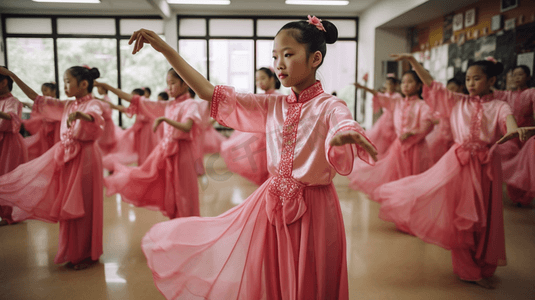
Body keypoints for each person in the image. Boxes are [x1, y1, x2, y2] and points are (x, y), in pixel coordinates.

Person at [129, 15, 377, 299]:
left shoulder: (329, 105)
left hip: (315, 209)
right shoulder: (272, 105)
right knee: (274, 277)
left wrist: (345, 132)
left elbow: (342, 119)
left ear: (315, 58)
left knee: (312, 280)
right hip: (272, 203)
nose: (279, 63)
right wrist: (166, 50)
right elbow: (209, 92)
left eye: (288, 54)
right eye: (275, 56)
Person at [376, 54, 534, 289]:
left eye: (477, 79)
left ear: (491, 80)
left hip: (486, 166)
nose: (470, 83)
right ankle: (467, 269)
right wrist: (413, 61)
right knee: (463, 218)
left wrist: (514, 130)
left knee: (485, 217)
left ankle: (483, 263)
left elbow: (507, 119)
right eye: (468, 79)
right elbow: (431, 84)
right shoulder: (456, 101)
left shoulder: (500, 104)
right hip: (459, 164)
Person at [0, 66, 106, 270]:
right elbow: (36, 98)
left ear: (83, 84)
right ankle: (73, 252)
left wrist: (82, 117)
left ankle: (87, 254)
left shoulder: (93, 104)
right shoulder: (66, 105)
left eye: (68, 81)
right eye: (64, 81)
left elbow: (95, 116)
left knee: (84, 206)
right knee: (69, 205)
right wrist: (13, 75)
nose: (65, 85)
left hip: (86, 159)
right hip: (68, 158)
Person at [99, 68, 206, 219]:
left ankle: (188, 226)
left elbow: (187, 126)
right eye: (167, 84)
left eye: (173, 83)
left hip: (182, 152)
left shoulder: (190, 104)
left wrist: (164, 119)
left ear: (185, 84)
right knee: (168, 189)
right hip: (165, 151)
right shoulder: (169, 105)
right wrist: (109, 87)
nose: (169, 88)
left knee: (184, 191)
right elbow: (135, 100)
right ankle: (176, 225)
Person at [348, 70, 434, 199]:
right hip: (399, 147)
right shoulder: (397, 103)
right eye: (403, 82)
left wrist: (412, 133)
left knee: (414, 177)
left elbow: (427, 124)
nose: (405, 85)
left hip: (417, 149)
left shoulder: (422, 105)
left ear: (418, 86)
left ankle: (410, 200)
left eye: (410, 82)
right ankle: (399, 199)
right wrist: (364, 88)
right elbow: (382, 97)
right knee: (396, 174)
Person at [219, 67, 281, 185]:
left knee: (270, 165)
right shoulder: (262, 97)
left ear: (272, 78)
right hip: (261, 135)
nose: (259, 82)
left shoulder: (278, 97)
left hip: (272, 136)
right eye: (257, 80)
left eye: (263, 78)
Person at [493, 65, 535, 206]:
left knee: (526, 168)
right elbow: (491, 93)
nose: (516, 78)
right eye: (514, 74)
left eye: (520, 74)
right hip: (511, 137)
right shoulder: (506, 95)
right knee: (510, 164)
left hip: (526, 137)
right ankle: (516, 197)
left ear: (528, 77)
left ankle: (525, 198)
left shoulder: (531, 93)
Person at [0, 66, 28, 226]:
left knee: (8, 177)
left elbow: (12, 118)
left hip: (10, 143)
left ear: (4, 82)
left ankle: (10, 214)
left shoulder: (13, 101)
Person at [353, 75, 400, 156]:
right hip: (385, 121)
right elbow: (380, 96)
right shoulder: (386, 95)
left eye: (391, 84)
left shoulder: (397, 96)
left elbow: (379, 95)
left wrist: (363, 87)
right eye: (387, 84)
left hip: (395, 121)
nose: (389, 86)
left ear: (395, 85)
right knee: (377, 139)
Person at [23, 82, 62, 160]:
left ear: (54, 91)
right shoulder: (45, 102)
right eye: (42, 90)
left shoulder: (56, 103)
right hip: (45, 131)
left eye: (45, 90)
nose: (44, 92)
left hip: (55, 131)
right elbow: (37, 107)